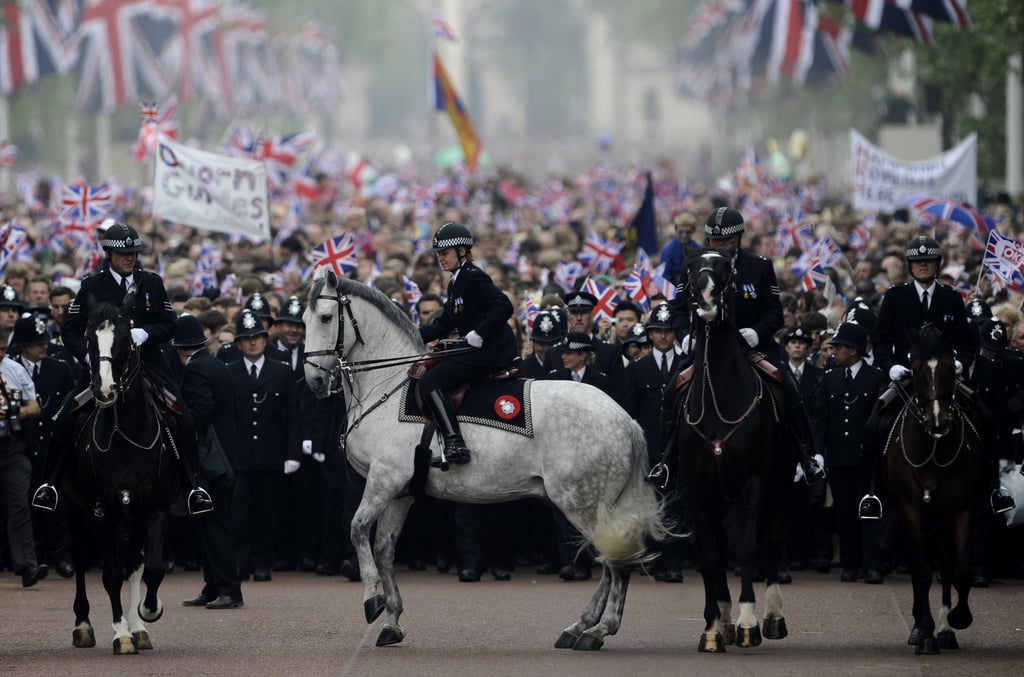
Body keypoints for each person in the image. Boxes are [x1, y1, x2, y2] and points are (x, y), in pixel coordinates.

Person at [31, 223, 213, 516]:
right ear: (109, 253)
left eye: (133, 252)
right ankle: (49, 485)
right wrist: (91, 358)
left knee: (184, 416)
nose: (129, 257)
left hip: (147, 364)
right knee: (65, 416)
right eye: (123, 252)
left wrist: (145, 334)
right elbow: (71, 330)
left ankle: (193, 486)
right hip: (101, 367)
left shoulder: (151, 283)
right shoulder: (92, 286)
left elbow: (169, 324)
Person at [666, 207, 825, 484]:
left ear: (738, 238)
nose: (720, 246)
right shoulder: (693, 263)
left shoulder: (759, 266)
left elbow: (775, 312)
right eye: (714, 241)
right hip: (704, 349)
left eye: (725, 241)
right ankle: (666, 461)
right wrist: (684, 335)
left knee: (786, 384)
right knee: (671, 390)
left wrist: (756, 332)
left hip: (751, 348)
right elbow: (678, 308)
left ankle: (807, 454)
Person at [860, 235, 1014, 519]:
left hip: (943, 379)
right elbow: (880, 340)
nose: (922, 266)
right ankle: (872, 493)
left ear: (936, 265)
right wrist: (889, 365)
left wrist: (959, 363)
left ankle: (995, 488)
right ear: (910, 265)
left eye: (928, 262)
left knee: (986, 417)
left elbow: (968, 343)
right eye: (917, 262)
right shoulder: (895, 296)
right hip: (906, 378)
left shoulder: (951, 297)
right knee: (874, 423)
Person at [417, 222, 517, 470]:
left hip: (490, 350)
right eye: (438, 254)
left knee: (430, 381)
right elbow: (445, 323)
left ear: (462, 251)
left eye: (445, 253)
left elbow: (504, 306)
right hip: (473, 349)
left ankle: (454, 442)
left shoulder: (473, 277)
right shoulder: (454, 283)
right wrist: (411, 335)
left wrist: (479, 333)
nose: (440, 259)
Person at [173, 315, 244, 610]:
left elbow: (201, 411)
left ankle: (229, 589)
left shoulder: (196, 369)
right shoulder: (216, 363)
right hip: (228, 455)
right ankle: (213, 585)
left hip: (213, 460)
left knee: (215, 526)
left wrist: (179, 423)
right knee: (212, 523)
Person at [228, 308, 302, 582]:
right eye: (246, 338)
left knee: (266, 513)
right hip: (240, 457)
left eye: (257, 337)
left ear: (265, 338)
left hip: (272, 454)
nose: (252, 342)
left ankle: (262, 563)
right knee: (239, 514)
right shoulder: (230, 372)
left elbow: (294, 415)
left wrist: (293, 453)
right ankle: (240, 562)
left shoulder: (281, 372)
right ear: (238, 344)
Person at [811, 322, 886, 584]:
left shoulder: (875, 377)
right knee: (844, 514)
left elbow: (880, 420)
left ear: (853, 351)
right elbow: (821, 420)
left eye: (839, 347)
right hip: (839, 459)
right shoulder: (830, 378)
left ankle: (872, 565)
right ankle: (850, 565)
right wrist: (819, 453)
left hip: (866, 458)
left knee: (869, 512)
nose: (834, 351)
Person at [13, 316, 76, 579]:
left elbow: (71, 399)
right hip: (23, 443)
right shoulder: (12, 368)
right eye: (37, 343)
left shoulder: (59, 368)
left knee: (56, 503)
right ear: (24, 345)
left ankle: (61, 556)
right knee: (24, 504)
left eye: (44, 341)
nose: (44, 347)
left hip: (53, 443)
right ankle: (33, 558)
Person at [0, 325, 46, 586]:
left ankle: (27, 566)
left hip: (11, 445)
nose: (0, 354)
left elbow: (34, 405)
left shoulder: (14, 369)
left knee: (19, 506)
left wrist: (17, 412)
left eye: (3, 349)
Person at [522, 310, 563, 378]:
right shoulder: (524, 368)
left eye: (551, 344)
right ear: (533, 343)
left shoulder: (564, 365)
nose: (547, 349)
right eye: (542, 344)